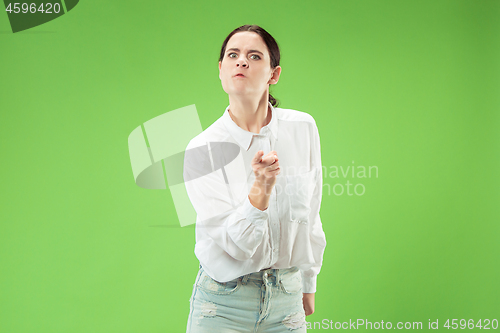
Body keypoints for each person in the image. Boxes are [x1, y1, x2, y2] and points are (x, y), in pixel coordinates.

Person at [183, 24, 327, 333]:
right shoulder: (201, 150)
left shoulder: (303, 128)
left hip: (287, 298)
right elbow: (237, 246)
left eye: (254, 56)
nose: (241, 61)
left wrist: (308, 280)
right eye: (232, 55)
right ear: (221, 70)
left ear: (273, 74)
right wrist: (261, 188)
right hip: (223, 304)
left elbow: (311, 212)